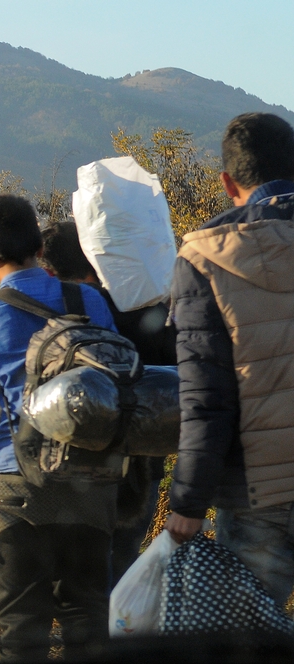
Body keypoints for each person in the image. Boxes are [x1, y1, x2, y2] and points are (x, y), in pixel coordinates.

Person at [0, 195, 118, 660]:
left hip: (17, 485)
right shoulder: (92, 302)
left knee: (22, 626)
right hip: (92, 480)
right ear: (39, 246)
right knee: (87, 618)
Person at [164, 113, 294, 608]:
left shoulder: (206, 256)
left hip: (257, 492)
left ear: (226, 182)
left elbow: (206, 397)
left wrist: (188, 501)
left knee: (244, 641)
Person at [39, 220, 176, 583]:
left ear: (49, 270)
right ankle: (112, 631)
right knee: (122, 556)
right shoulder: (147, 304)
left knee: (76, 564)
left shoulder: (57, 315)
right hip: (142, 464)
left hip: (76, 464)